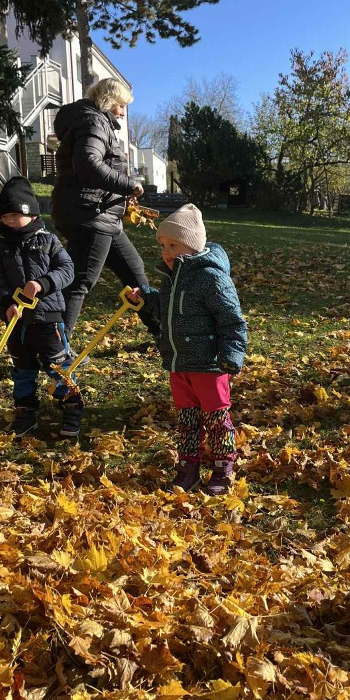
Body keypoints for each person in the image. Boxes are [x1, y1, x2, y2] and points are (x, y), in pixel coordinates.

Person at [128, 204, 247, 495]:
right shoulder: (171, 278)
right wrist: (146, 298)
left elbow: (232, 320)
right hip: (179, 364)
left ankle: (223, 468)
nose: (166, 253)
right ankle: (188, 467)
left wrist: (231, 354)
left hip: (209, 365)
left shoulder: (211, 278)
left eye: (173, 245)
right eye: (163, 246)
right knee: (187, 421)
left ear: (193, 245)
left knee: (216, 420)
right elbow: (165, 310)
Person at [51, 78, 160, 355]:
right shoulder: (94, 122)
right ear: (109, 101)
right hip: (90, 214)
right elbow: (87, 164)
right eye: (121, 105)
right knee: (79, 282)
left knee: (135, 274)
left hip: (101, 216)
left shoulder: (90, 122)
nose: (123, 112)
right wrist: (128, 185)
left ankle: (163, 335)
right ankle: (55, 350)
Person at [0, 177, 84, 439]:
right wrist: (6, 302)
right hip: (16, 321)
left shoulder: (48, 241)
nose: (9, 220)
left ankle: (71, 404)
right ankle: (25, 409)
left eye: (15, 215)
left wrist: (43, 283)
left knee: (58, 364)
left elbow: (67, 269)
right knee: (22, 367)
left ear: (32, 214)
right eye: (5, 216)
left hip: (48, 318)